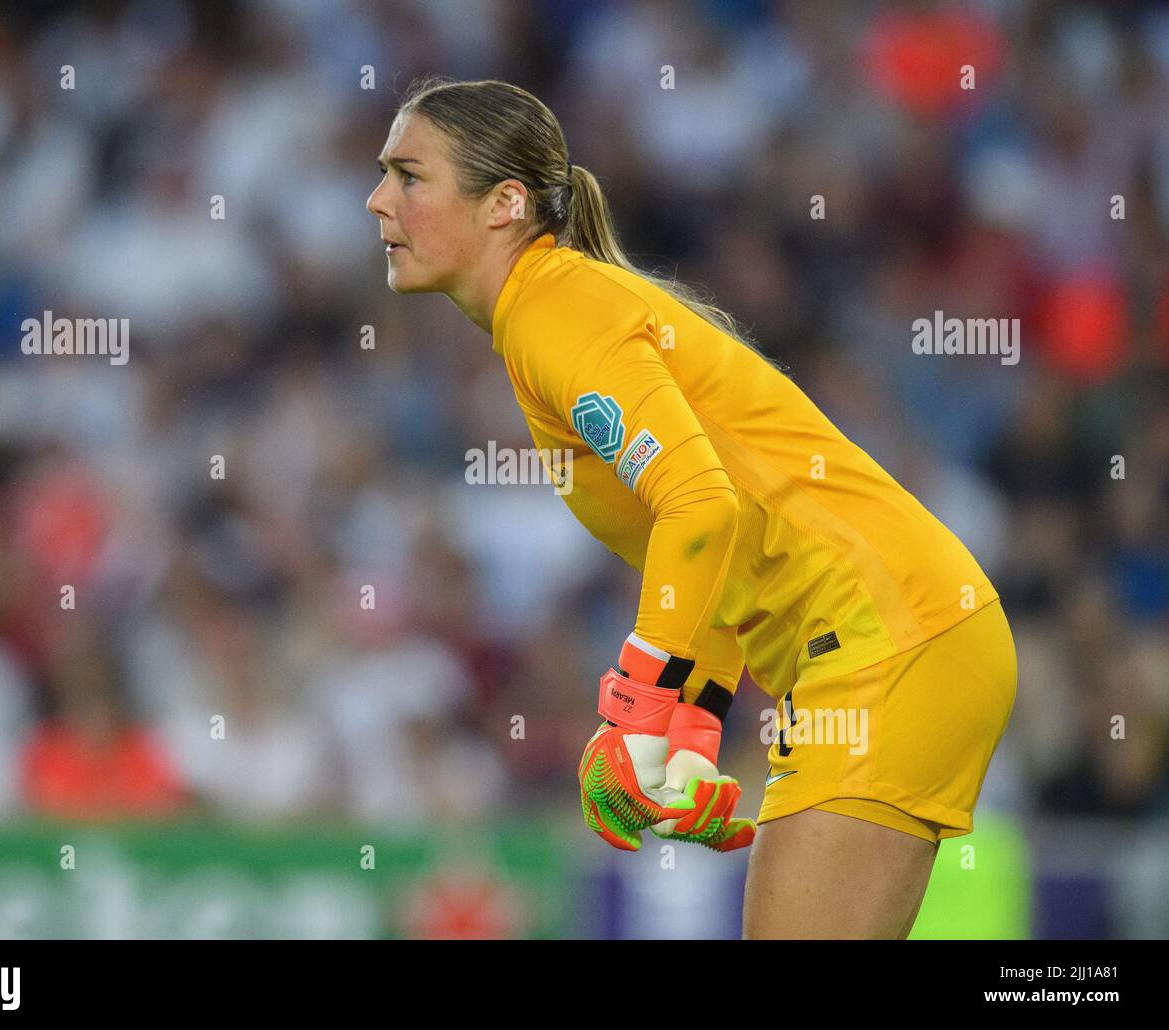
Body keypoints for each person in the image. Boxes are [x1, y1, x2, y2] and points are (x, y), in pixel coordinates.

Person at [367, 76, 1017, 939]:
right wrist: (691, 726)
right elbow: (720, 537)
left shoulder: (552, 308)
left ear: (505, 204)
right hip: (894, 639)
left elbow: (700, 506)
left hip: (886, 639)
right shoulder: (554, 309)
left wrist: (632, 710)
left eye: (409, 175)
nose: (378, 201)